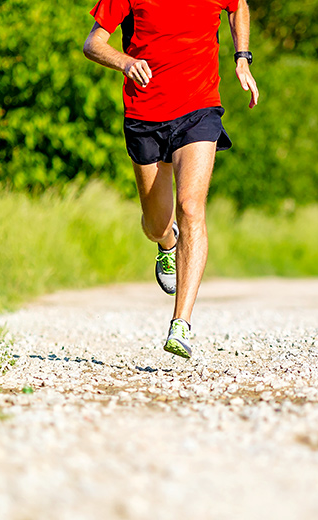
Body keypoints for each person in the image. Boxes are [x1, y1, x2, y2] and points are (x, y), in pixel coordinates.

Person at [82, 0, 259, 359]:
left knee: (190, 207)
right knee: (155, 222)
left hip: (199, 108)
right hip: (145, 114)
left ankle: (181, 322)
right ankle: (166, 245)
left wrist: (242, 57)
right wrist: (126, 62)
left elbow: (238, 5)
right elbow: (93, 43)